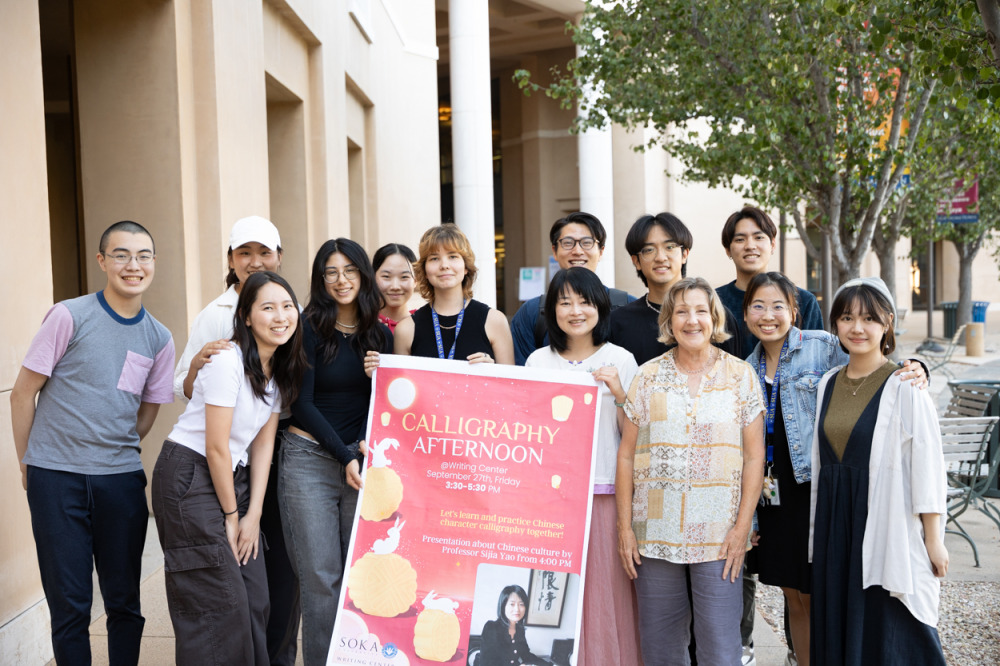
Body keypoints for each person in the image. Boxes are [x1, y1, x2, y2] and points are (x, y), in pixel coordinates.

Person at [10, 220, 175, 666]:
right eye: (121, 254)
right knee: (70, 607)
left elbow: (146, 413)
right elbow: (24, 392)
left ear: (153, 264)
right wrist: (29, 462)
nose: (132, 265)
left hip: (119, 482)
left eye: (143, 256)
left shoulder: (159, 338)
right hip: (55, 479)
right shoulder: (69, 315)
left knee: (124, 603)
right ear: (102, 261)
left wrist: (111, 443)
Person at [152, 271, 306, 666]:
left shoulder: (276, 368)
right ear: (247, 317)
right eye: (268, 307)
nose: (280, 316)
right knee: (220, 604)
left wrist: (253, 515)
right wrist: (232, 516)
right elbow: (216, 447)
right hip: (189, 476)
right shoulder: (227, 360)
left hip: (230, 478)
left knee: (255, 598)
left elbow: (263, 443)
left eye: (287, 306)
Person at [617, 277, 765, 666]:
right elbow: (627, 456)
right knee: (661, 646)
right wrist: (624, 529)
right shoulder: (647, 376)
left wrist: (742, 528)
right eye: (681, 311)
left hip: (720, 533)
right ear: (669, 320)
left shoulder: (740, 376)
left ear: (714, 317)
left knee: (720, 647)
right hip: (655, 531)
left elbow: (754, 458)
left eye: (701, 310)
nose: (692, 320)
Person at [809, 278, 947, 665]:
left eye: (869, 318)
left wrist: (933, 538)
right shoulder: (827, 384)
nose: (857, 327)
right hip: (835, 528)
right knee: (840, 621)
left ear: (887, 322)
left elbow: (927, 465)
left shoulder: (905, 385)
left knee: (892, 625)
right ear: (835, 323)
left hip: (884, 521)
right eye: (847, 317)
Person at [714, 205, 821, 664]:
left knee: (813, 591)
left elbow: (867, 367)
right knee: (791, 591)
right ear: (744, 314)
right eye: (758, 306)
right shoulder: (746, 369)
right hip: (768, 491)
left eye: (778, 306)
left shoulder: (822, 346)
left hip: (812, 486)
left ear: (794, 310)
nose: (769, 314)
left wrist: (914, 368)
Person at [279, 239, 393, 666]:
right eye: (331, 272)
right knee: (321, 580)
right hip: (310, 461)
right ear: (320, 279)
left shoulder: (378, 333)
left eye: (349, 270)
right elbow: (301, 404)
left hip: (360, 463)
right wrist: (344, 456)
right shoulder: (307, 326)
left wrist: (380, 379)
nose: (341, 280)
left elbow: (386, 404)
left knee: (356, 576)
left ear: (363, 274)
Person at [525, 268, 642, 666]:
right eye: (565, 302)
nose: (575, 311)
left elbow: (637, 439)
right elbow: (525, 432)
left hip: (604, 493)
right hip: (552, 504)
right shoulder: (539, 362)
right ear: (552, 311)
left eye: (585, 301)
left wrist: (620, 395)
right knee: (556, 596)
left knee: (606, 596)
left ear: (600, 307)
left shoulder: (621, 360)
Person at [610, 212, 741, 365]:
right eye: (649, 250)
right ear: (636, 261)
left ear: (685, 254)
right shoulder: (619, 322)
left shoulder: (715, 316)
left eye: (670, 247)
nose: (660, 257)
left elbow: (735, 376)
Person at [511, 212, 635, 365]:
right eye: (568, 243)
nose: (577, 251)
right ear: (555, 251)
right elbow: (521, 381)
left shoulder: (628, 306)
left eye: (587, 242)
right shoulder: (531, 313)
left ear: (601, 251)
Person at [394, 224, 514, 364]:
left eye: (452, 256)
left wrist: (491, 370)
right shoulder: (406, 329)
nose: (444, 265)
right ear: (424, 271)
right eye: (434, 258)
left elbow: (510, 384)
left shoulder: (494, 321)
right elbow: (401, 384)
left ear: (466, 268)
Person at [479, 585, 548, 666]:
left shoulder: (519, 630)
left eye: (521, 604)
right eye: (512, 604)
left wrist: (548, 664)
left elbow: (526, 655)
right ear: (503, 606)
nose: (517, 609)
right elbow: (486, 663)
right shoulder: (491, 628)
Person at [372, 242, 417, 333]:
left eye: (404, 277)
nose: (395, 287)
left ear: (416, 280)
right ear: (373, 278)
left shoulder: (423, 324)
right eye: (386, 277)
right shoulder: (362, 325)